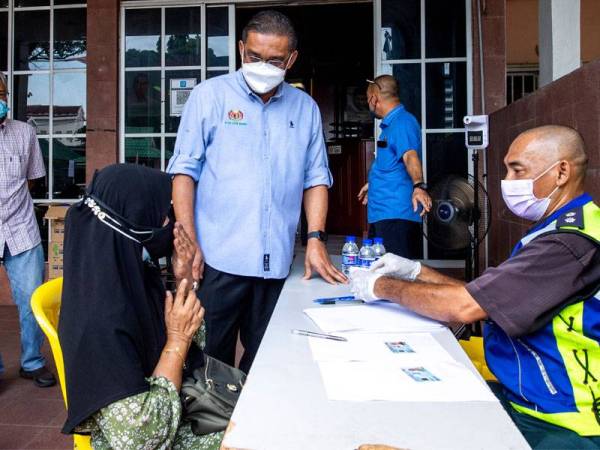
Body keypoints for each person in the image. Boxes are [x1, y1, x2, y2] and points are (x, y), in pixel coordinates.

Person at [349, 125, 600, 449]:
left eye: (518, 170)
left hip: (564, 422)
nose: (508, 182)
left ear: (562, 171)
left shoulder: (567, 243)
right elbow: (488, 295)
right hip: (527, 392)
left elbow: (466, 306)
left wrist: (382, 286)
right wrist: (415, 271)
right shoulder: (562, 227)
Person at [167, 10, 345, 374]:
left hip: (276, 263)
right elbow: (184, 172)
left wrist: (315, 239)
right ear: (240, 50)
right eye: (254, 56)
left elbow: (316, 179)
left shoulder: (305, 109)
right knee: (206, 364)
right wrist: (189, 242)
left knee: (267, 363)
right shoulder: (209, 97)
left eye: (274, 60)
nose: (262, 66)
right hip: (217, 261)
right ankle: (209, 430)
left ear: (291, 59)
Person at [58, 164, 222, 449]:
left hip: (179, 408)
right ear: (135, 221)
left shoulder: (131, 277)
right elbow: (139, 439)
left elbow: (197, 338)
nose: (169, 223)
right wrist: (176, 341)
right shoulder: (97, 323)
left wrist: (182, 276)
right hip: (156, 434)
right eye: (161, 215)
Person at [0, 72, 56, 388]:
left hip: (20, 228)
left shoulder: (24, 133)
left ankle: (32, 361)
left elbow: (34, 179)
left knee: (31, 299)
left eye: (3, 93)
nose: (2, 99)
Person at [357, 75, 431, 258]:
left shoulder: (402, 123)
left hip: (396, 217)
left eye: (368, 99)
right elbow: (391, 163)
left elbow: (409, 156)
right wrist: (373, 184)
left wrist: (419, 186)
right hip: (385, 214)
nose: (369, 103)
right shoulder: (391, 125)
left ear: (374, 99)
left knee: (397, 278)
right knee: (384, 273)